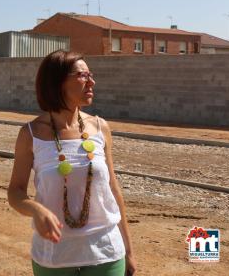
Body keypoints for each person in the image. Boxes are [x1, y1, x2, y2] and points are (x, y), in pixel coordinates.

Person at [8, 50, 136, 276]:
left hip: (105, 253)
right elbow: (15, 192)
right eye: (83, 75)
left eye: (91, 75)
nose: (91, 82)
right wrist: (35, 209)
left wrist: (128, 249)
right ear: (57, 82)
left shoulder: (100, 127)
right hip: (53, 258)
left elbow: (113, 190)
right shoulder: (31, 134)